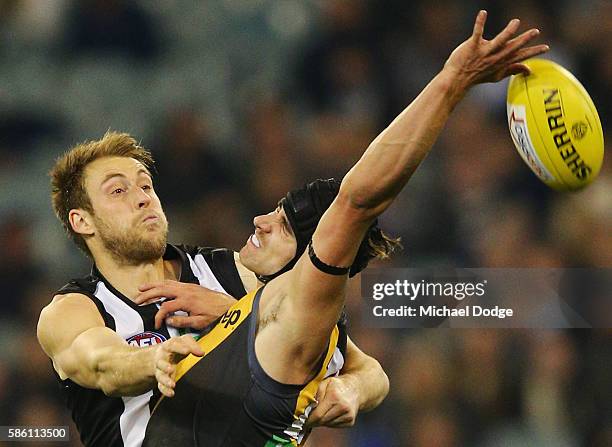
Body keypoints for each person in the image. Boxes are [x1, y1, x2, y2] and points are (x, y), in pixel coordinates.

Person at [141, 10, 549, 446]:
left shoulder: (302, 310)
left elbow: (357, 200)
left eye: (281, 227)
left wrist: (452, 82)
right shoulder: (278, 319)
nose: (258, 222)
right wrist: (352, 383)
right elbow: (371, 372)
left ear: (314, 254)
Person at [37, 139, 388, 446]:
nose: (143, 199)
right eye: (118, 191)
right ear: (82, 221)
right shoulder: (72, 311)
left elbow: (368, 370)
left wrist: (352, 390)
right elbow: (100, 364)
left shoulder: (232, 272)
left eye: (145, 186)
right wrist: (151, 360)